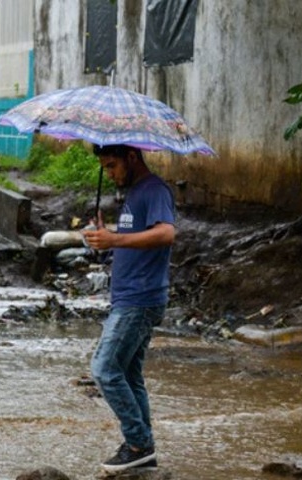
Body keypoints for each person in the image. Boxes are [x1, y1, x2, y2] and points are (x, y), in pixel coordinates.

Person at [82, 144, 175, 472]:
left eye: (112, 166)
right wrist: (101, 239)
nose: (109, 174)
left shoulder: (154, 190)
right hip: (128, 297)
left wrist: (116, 240)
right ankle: (144, 450)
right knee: (129, 375)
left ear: (132, 158)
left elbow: (166, 233)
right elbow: (132, 243)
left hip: (140, 299)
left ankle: (137, 443)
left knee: (104, 369)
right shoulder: (133, 195)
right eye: (105, 168)